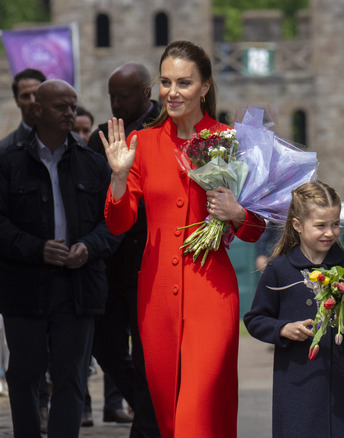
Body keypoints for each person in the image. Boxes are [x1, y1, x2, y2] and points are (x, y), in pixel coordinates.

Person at [100, 40, 266, 438]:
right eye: (166, 82)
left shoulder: (232, 140)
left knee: (197, 413)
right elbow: (119, 223)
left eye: (184, 83)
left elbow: (257, 225)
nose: (172, 92)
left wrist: (238, 214)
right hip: (155, 297)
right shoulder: (144, 143)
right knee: (169, 417)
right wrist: (119, 178)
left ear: (205, 87)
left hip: (212, 293)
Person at [0, 79, 120, 437]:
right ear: (37, 111)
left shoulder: (93, 165)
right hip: (24, 285)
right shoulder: (8, 163)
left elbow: (115, 223)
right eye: (61, 107)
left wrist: (90, 246)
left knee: (71, 376)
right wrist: (36, 248)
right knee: (23, 375)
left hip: (77, 285)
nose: (70, 113)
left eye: (73, 105)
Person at [244, 181, 344, 438]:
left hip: (342, 388)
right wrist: (283, 328)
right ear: (298, 225)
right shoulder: (279, 268)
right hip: (295, 385)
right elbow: (255, 319)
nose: (330, 232)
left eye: (335, 224)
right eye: (320, 226)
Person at [88, 62, 162, 437]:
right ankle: (150, 407)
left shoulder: (162, 132)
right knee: (105, 345)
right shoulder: (101, 137)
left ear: (146, 93)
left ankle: (148, 423)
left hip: (148, 260)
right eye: (111, 96)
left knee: (147, 352)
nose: (116, 103)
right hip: (107, 263)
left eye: (124, 95)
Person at [0, 68, 46, 151]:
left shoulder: (70, 142)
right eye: (25, 96)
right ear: (17, 100)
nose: (32, 101)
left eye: (37, 94)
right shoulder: (5, 149)